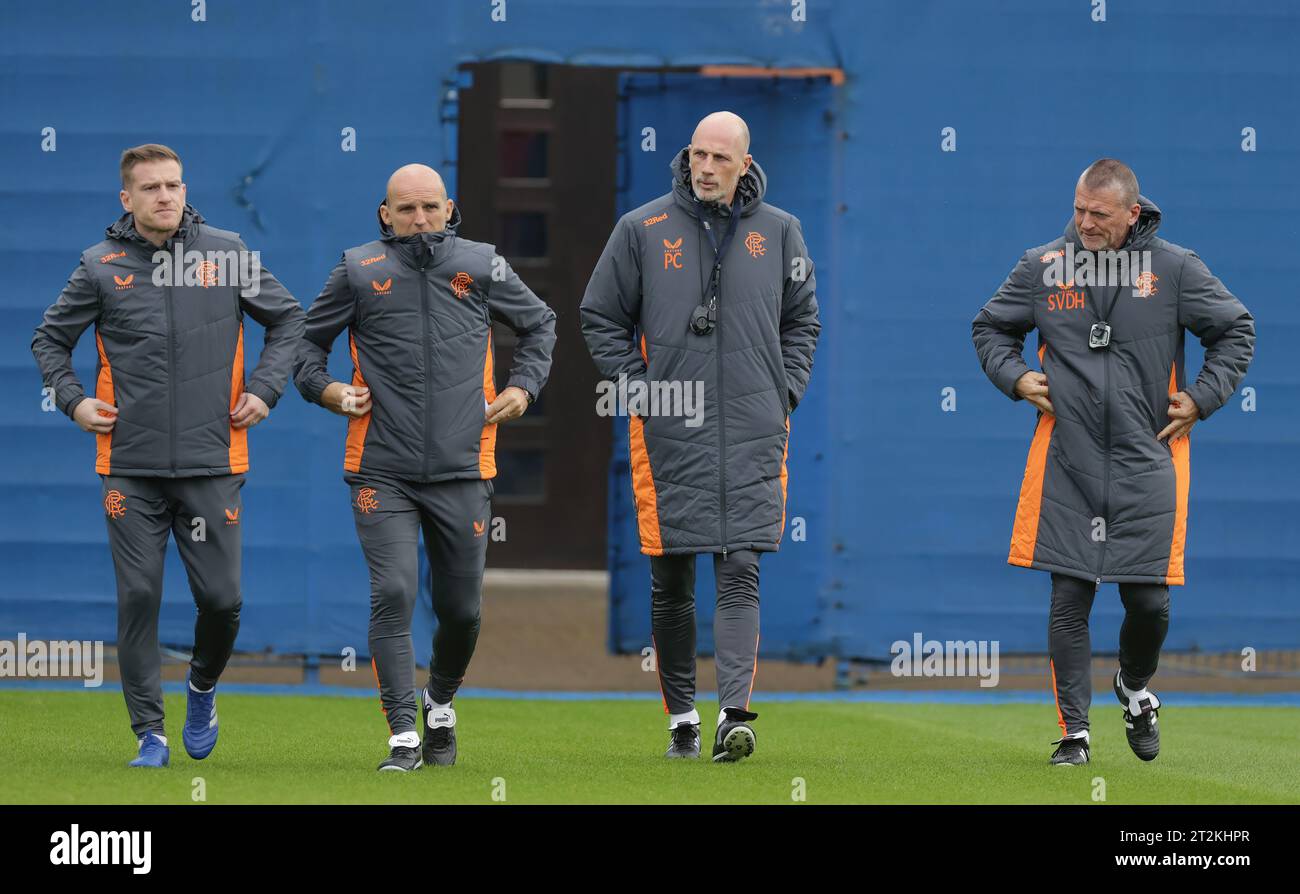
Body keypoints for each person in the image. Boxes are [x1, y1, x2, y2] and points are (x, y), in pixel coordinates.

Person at [31, 143, 306, 768]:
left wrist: (264, 390)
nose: (165, 196)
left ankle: (203, 686)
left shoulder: (228, 254)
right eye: (151, 188)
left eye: (174, 185)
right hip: (130, 466)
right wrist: (72, 400)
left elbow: (289, 321)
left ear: (185, 190)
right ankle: (149, 735)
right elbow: (49, 338)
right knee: (138, 598)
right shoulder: (100, 266)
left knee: (222, 601)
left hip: (214, 462)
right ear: (126, 199)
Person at [972, 158, 1254, 765]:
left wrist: (1202, 398)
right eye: (1078, 209)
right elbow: (990, 329)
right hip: (1067, 461)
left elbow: (1236, 330)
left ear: (1133, 213)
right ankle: (1075, 735)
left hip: (1148, 460)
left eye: (1099, 215)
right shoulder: (1042, 265)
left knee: (1148, 603)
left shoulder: (1177, 268)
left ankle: (1134, 685)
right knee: (1068, 600)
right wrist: (1017, 377)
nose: (1084, 223)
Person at [294, 164, 557, 772]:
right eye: (405, 209)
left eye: (429, 208)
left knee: (462, 610)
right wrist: (330, 391)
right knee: (393, 591)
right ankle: (404, 738)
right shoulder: (358, 269)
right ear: (384, 212)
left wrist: (525, 387)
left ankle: (439, 702)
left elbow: (542, 322)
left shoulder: (482, 263)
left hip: (465, 465)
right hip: (379, 467)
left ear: (449, 208)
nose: (418, 220)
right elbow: (306, 346)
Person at [580, 112, 820, 762]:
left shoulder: (781, 232)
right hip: (668, 433)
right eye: (698, 156)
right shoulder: (642, 229)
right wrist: (640, 389)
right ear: (686, 158)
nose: (707, 168)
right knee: (672, 579)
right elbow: (599, 315)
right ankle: (683, 716)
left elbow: (803, 321)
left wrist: (783, 390)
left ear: (746, 164)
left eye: (720, 158)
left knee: (741, 566)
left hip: (753, 428)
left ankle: (733, 716)